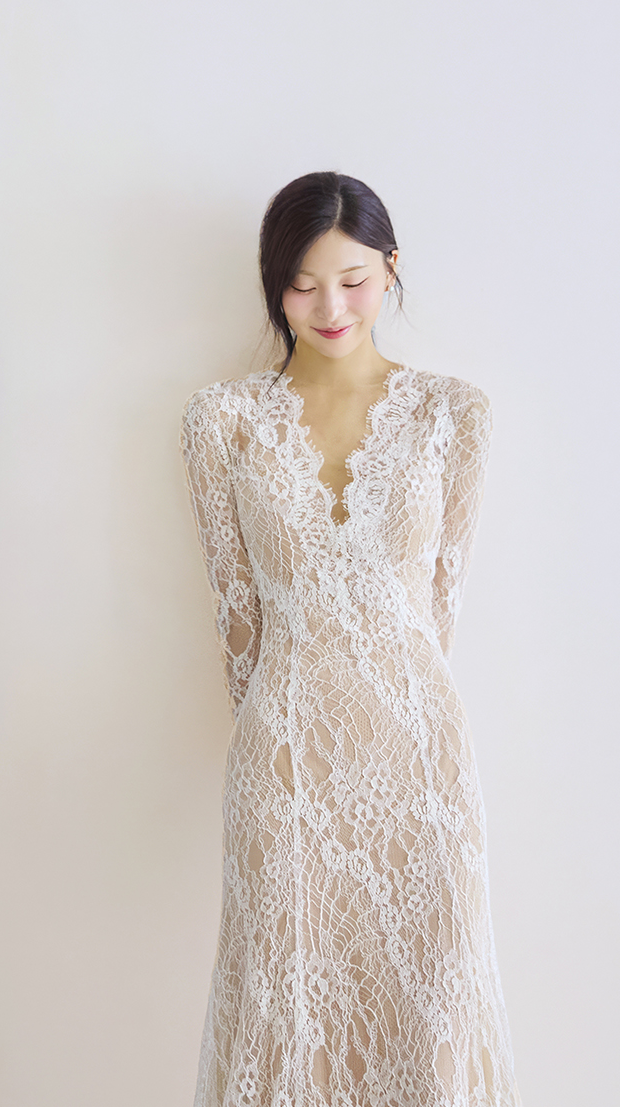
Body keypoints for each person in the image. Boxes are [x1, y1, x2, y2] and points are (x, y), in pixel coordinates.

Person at [180, 172, 520, 1107]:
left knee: (428, 1001)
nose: (330, 308)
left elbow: (439, 610)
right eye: (302, 285)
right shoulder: (222, 422)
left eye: (354, 280)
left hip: (420, 760)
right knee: (286, 1006)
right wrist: (281, 743)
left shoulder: (456, 414)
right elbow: (237, 618)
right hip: (285, 761)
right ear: (274, 286)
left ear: (392, 269)